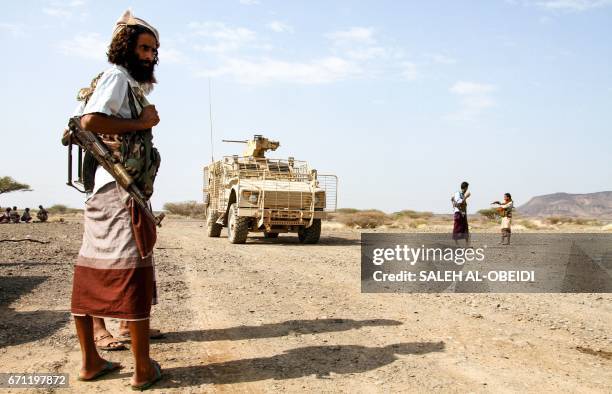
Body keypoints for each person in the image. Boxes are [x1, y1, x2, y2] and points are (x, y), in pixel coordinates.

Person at [69, 10, 162, 389]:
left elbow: (78, 127)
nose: (151, 56)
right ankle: (142, 370)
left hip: (109, 194)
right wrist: (141, 124)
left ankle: (92, 361)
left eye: (154, 50)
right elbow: (88, 123)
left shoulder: (121, 82)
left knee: (93, 270)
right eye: (144, 48)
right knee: (131, 271)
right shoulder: (116, 77)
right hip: (119, 193)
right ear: (125, 48)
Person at [451, 182, 471, 246]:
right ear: (465, 187)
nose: (467, 189)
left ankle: (467, 245)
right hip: (458, 213)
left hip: (463, 213)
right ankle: (456, 245)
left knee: (465, 228)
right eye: (467, 188)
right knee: (457, 228)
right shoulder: (458, 193)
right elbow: (458, 203)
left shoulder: (462, 194)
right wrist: (466, 197)